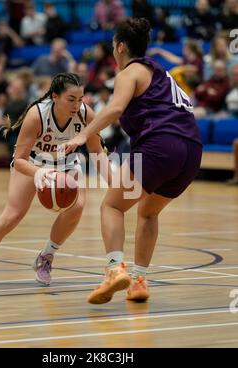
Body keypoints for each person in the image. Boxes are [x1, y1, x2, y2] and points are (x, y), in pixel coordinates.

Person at [64, 18, 202, 304]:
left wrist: (82, 137)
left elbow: (115, 109)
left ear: (121, 47)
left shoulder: (130, 72)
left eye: (114, 47)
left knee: (112, 205)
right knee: (148, 212)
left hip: (159, 146)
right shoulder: (161, 73)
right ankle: (139, 280)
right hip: (190, 152)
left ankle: (115, 270)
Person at [0, 73, 110, 290]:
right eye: (71, 99)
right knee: (12, 216)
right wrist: (39, 173)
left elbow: (97, 152)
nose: (76, 104)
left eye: (80, 99)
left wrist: (115, 183)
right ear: (55, 96)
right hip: (32, 163)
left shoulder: (85, 114)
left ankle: (46, 257)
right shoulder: (37, 115)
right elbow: (20, 159)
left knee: (77, 207)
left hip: (67, 164)